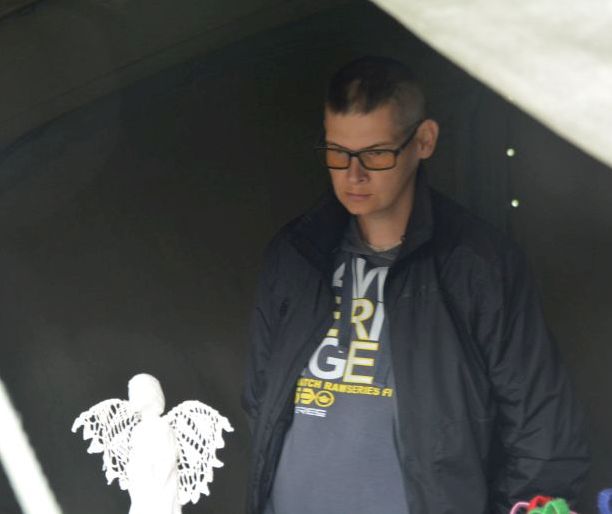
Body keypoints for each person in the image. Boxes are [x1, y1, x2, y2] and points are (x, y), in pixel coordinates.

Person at [242, 56, 589, 514]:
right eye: (337, 152)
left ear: (424, 140)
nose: (353, 175)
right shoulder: (294, 254)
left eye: (376, 154)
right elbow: (261, 398)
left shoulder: (477, 265)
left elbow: (542, 432)